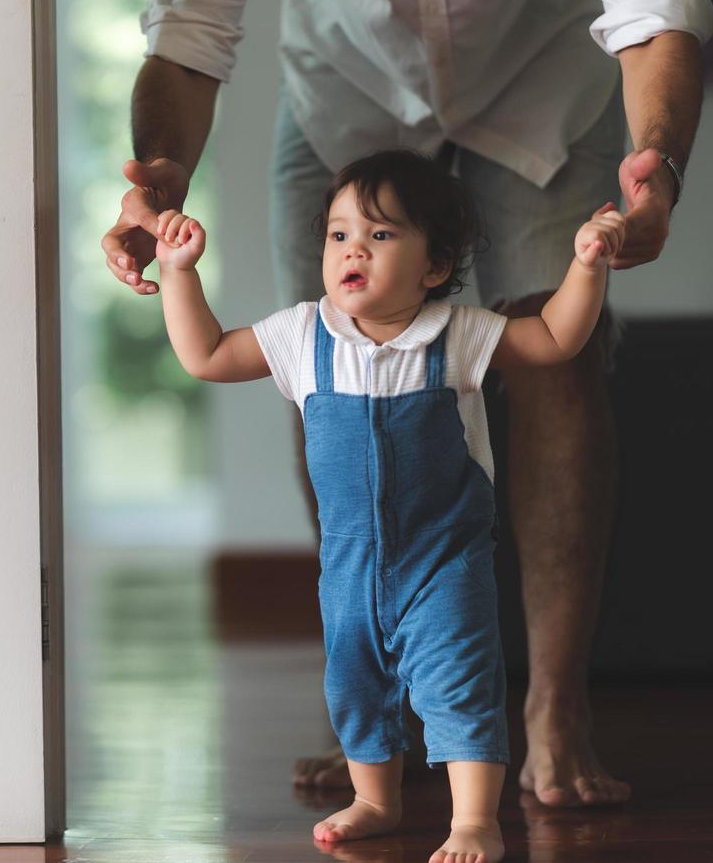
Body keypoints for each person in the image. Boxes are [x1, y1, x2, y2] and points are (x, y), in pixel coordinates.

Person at [101, 0, 713, 806]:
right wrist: (162, 176)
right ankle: (372, 719)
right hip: (344, 90)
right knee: (325, 373)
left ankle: (554, 710)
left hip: (538, 80)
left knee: (563, 362)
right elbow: (191, 26)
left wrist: (659, 161)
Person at [153, 148, 625, 858]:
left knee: (459, 683)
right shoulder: (302, 335)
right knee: (355, 685)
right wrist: (179, 274)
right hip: (349, 568)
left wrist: (586, 267)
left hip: (445, 564)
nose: (354, 250)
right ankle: (374, 798)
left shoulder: (456, 335)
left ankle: (474, 820)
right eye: (339, 234)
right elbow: (207, 355)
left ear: (433, 267)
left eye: (381, 235)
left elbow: (555, 337)